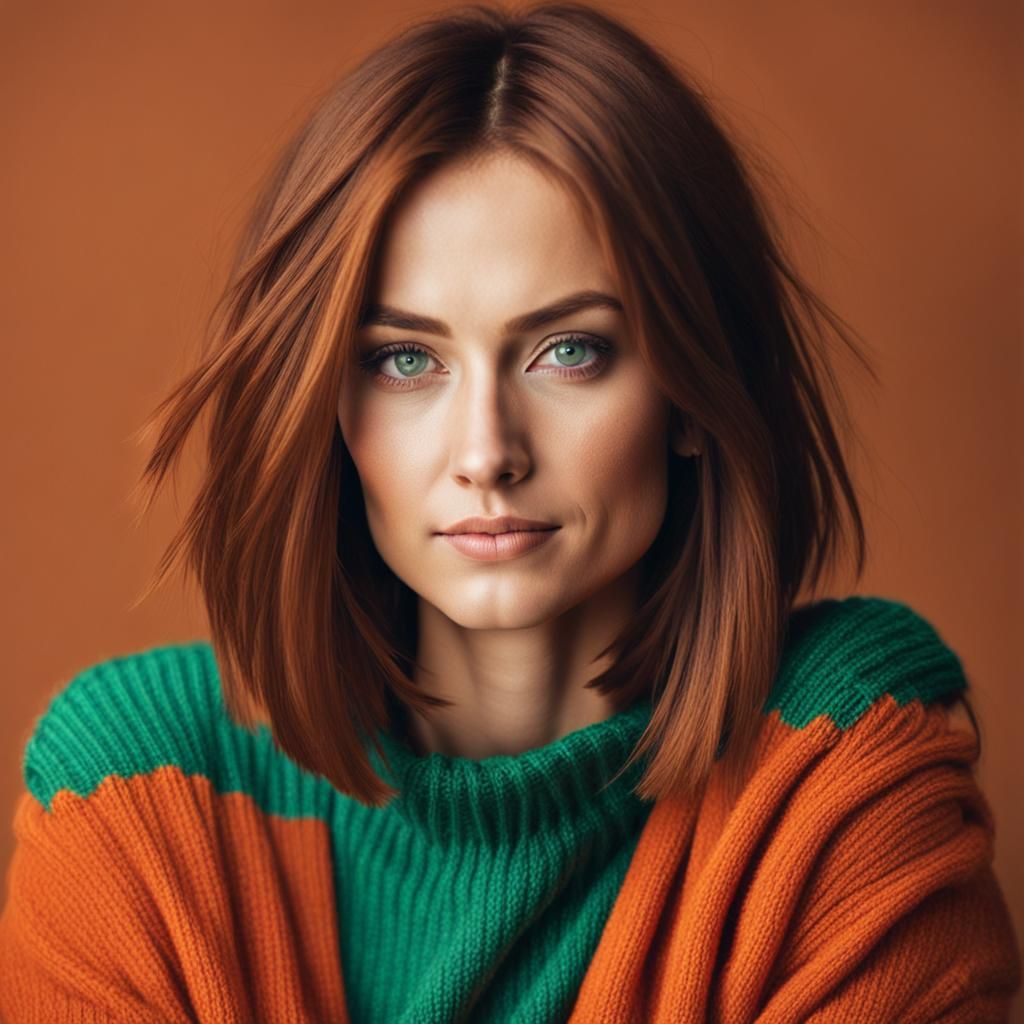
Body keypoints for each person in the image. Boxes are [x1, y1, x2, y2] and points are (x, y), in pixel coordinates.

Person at [1, 3, 1019, 1021]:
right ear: (326, 408)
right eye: (406, 360)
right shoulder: (139, 785)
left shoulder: (835, 768)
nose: (487, 452)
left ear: (694, 396)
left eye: (568, 350)